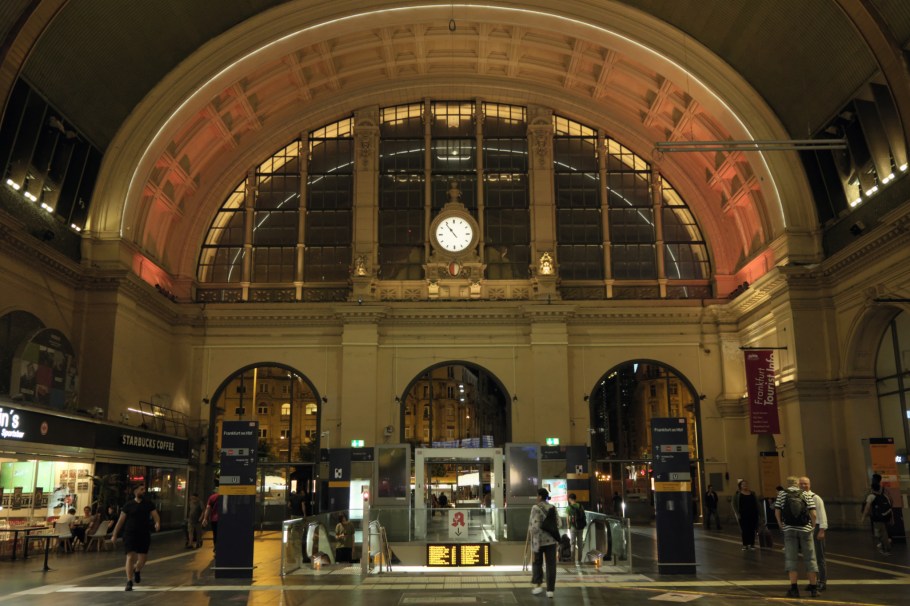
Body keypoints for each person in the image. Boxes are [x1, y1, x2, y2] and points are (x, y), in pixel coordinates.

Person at [110, 482, 161, 592]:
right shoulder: (128, 505)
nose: (143, 491)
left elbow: (155, 515)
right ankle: (129, 581)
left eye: (144, 489)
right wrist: (114, 534)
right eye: (141, 489)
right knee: (130, 557)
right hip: (130, 533)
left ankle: (137, 570)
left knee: (142, 559)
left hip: (143, 533)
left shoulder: (148, 504)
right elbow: (120, 521)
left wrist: (157, 523)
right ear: (135, 491)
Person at [774, 475, 818, 598]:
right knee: (810, 558)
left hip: (789, 529)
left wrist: (780, 524)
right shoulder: (806, 493)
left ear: (788, 484)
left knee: (791, 559)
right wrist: (813, 526)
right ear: (797, 483)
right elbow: (813, 513)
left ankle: (794, 589)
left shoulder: (782, 494)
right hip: (805, 529)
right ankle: (814, 588)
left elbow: (777, 510)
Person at [529, 487, 559, 598]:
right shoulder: (553, 508)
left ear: (540, 496)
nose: (536, 498)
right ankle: (550, 590)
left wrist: (531, 531)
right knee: (551, 565)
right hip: (551, 541)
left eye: (537, 495)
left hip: (539, 541)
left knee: (537, 563)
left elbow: (534, 526)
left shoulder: (535, 508)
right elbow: (559, 523)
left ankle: (538, 586)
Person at [800, 476, 827, 591]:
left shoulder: (816, 498)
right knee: (810, 558)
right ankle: (813, 582)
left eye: (805, 484)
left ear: (809, 485)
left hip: (816, 529)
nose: (803, 486)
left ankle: (822, 581)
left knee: (819, 557)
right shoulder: (800, 498)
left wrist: (822, 530)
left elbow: (822, 514)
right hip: (806, 530)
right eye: (801, 484)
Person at [861, 480, 893, 555]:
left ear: (872, 488)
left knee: (882, 533)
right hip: (886, 516)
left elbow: (867, 507)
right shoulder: (884, 496)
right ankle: (885, 544)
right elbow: (890, 504)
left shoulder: (871, 496)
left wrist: (863, 517)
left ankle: (886, 549)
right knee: (882, 532)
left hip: (878, 517)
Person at [731, 479, 759, 550]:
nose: (745, 485)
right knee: (744, 530)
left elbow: (757, 504)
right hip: (743, 515)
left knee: (752, 529)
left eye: (746, 484)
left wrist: (760, 514)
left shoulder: (752, 493)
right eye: (743, 484)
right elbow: (733, 504)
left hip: (753, 514)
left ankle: (752, 544)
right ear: (740, 486)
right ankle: (745, 544)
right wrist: (737, 513)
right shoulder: (737, 494)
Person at [566, 493, 585, 564]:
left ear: (570, 499)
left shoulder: (569, 507)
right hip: (581, 526)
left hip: (573, 527)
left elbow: (567, 519)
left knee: (572, 543)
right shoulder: (580, 506)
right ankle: (580, 560)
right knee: (580, 543)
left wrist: (568, 527)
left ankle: (572, 560)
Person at [201, 482, 221, 553]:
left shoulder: (212, 497)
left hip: (214, 519)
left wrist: (205, 518)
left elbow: (208, 508)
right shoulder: (226, 496)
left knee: (215, 534)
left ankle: (216, 547)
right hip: (224, 520)